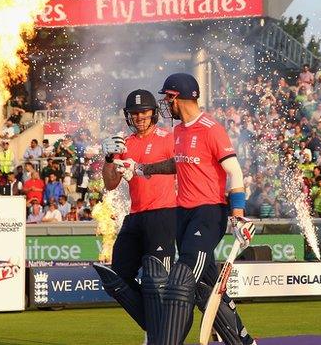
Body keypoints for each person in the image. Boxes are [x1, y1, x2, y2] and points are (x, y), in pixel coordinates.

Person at [129, 74, 256, 345]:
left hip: (208, 213)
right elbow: (178, 163)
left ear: (179, 97)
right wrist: (143, 169)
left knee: (181, 280)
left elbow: (234, 171)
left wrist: (238, 215)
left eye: (167, 98)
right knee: (205, 289)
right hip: (183, 215)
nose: (164, 103)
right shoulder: (180, 131)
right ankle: (243, 341)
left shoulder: (211, 129)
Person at [93, 89, 177, 344]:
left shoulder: (168, 138)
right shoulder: (125, 144)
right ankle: (158, 328)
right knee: (118, 276)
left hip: (164, 214)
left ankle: (158, 335)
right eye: (134, 113)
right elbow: (109, 184)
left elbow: (181, 166)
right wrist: (109, 158)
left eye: (144, 112)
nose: (139, 117)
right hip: (136, 216)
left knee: (156, 280)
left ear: (153, 113)